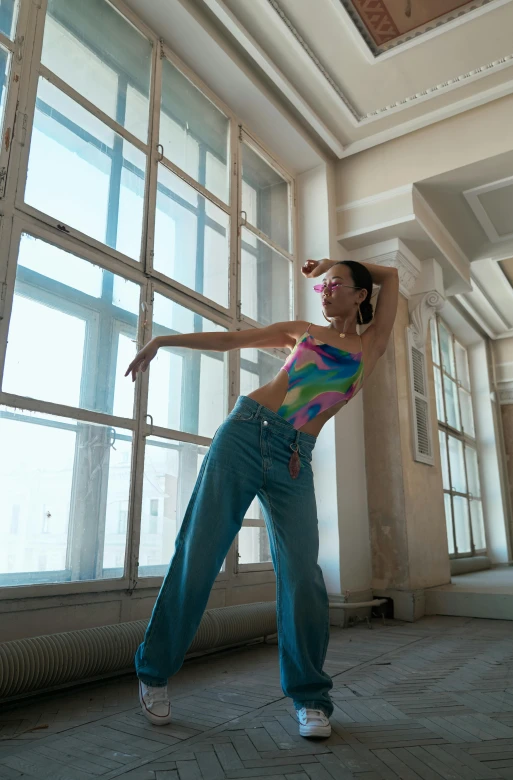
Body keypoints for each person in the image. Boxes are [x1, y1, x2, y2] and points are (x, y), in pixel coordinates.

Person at [125, 258, 399, 738]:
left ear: (360, 295)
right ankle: (154, 673)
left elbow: (393, 276)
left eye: (336, 283)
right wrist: (163, 340)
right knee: (199, 554)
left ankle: (310, 698)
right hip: (245, 435)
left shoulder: (370, 345)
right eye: (322, 284)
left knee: (302, 576)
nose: (325, 289)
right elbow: (231, 339)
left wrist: (336, 262)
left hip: (296, 457)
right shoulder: (303, 331)